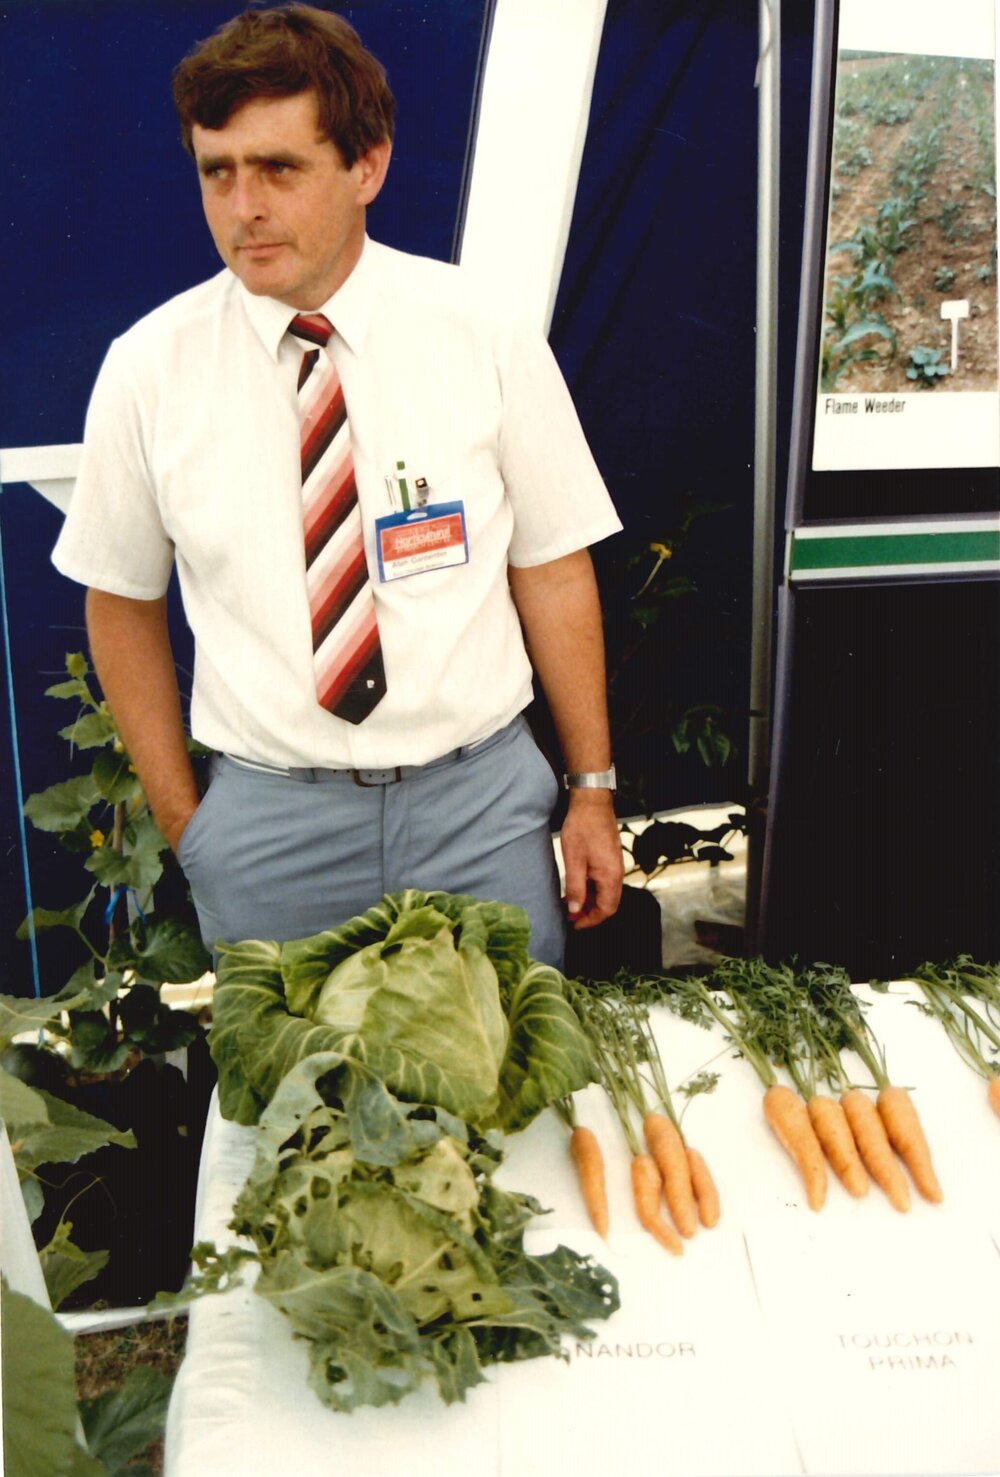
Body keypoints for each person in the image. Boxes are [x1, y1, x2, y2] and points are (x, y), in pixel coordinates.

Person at [52, 3, 623, 969]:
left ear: (368, 166)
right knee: (293, 1115)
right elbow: (120, 602)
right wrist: (190, 824)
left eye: (279, 167)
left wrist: (593, 785)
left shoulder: (481, 334)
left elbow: (554, 566)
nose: (244, 207)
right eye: (217, 171)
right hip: (273, 829)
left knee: (503, 1093)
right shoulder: (149, 369)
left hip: (479, 813)